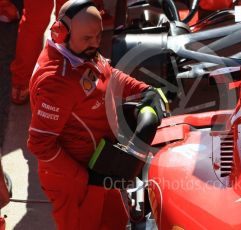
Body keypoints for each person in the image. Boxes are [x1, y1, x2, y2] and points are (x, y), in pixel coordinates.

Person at [27, 0, 165, 229]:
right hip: (74, 183)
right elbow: (40, 144)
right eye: (88, 39)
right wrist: (85, 178)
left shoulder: (81, 53)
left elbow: (107, 74)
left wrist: (144, 91)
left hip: (102, 166)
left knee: (116, 222)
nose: (95, 44)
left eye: (98, 36)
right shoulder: (55, 82)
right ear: (61, 33)